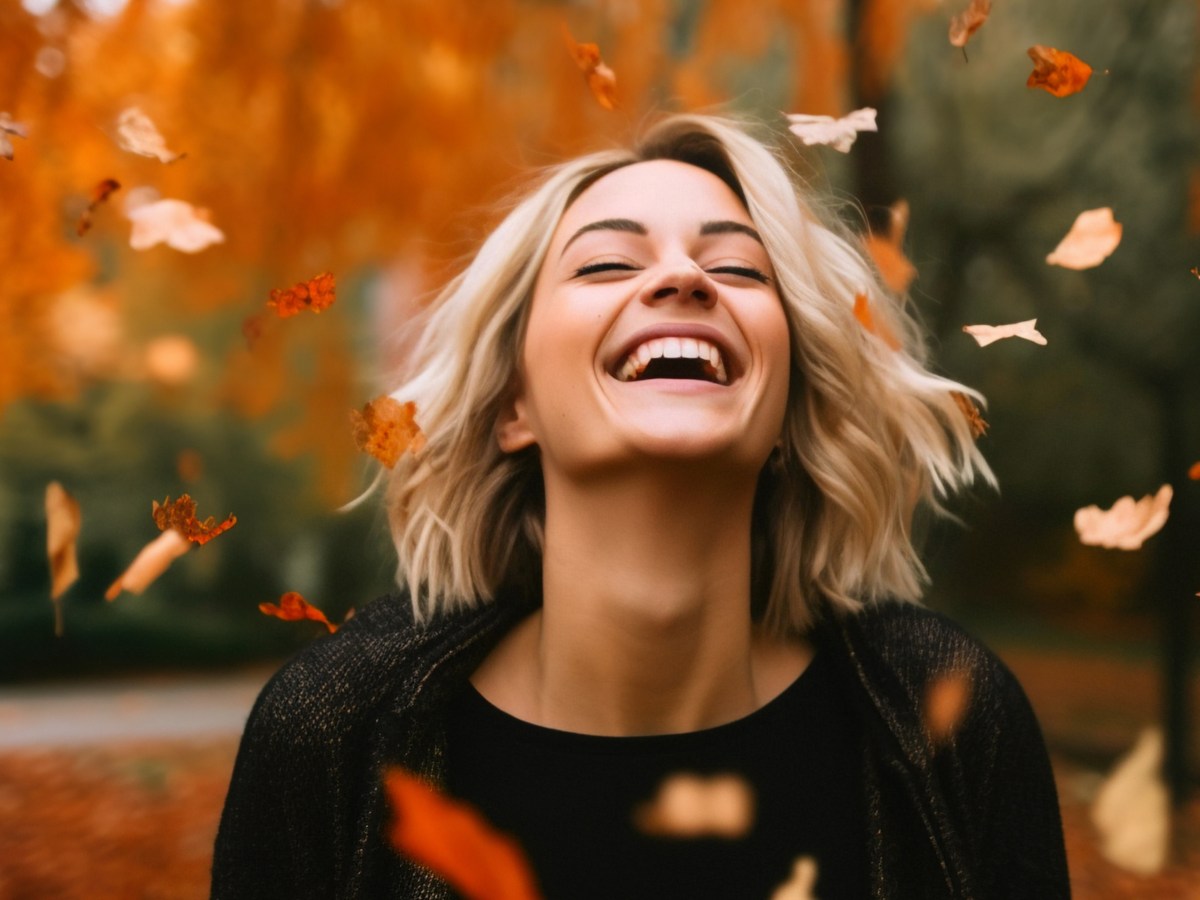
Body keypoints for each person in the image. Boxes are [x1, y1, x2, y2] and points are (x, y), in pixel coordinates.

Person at [211, 113, 1070, 899]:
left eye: (737, 267)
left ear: (787, 411)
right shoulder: (330, 736)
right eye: (606, 263)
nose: (685, 277)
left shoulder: (953, 721)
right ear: (514, 405)